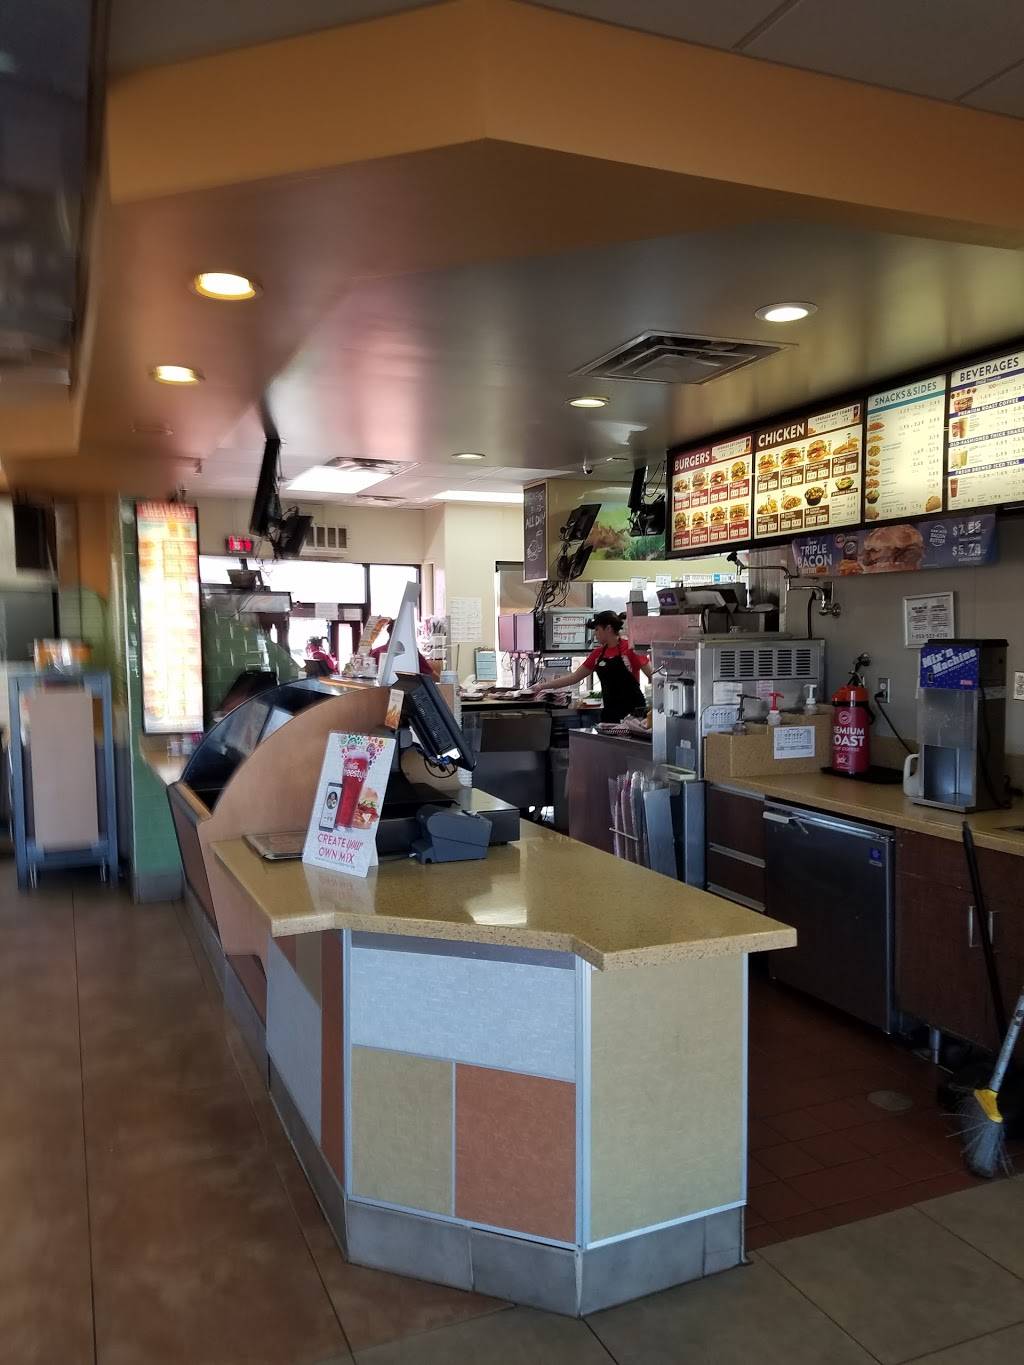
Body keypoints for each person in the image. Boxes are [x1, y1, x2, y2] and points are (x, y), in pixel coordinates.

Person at [534, 610, 652, 723]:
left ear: (608, 628)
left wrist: (655, 706)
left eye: (597, 629)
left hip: (634, 715)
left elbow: (653, 675)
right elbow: (574, 677)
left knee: (626, 735)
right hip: (610, 714)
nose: (595, 634)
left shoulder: (630, 649)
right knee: (610, 736)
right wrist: (542, 686)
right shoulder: (598, 654)